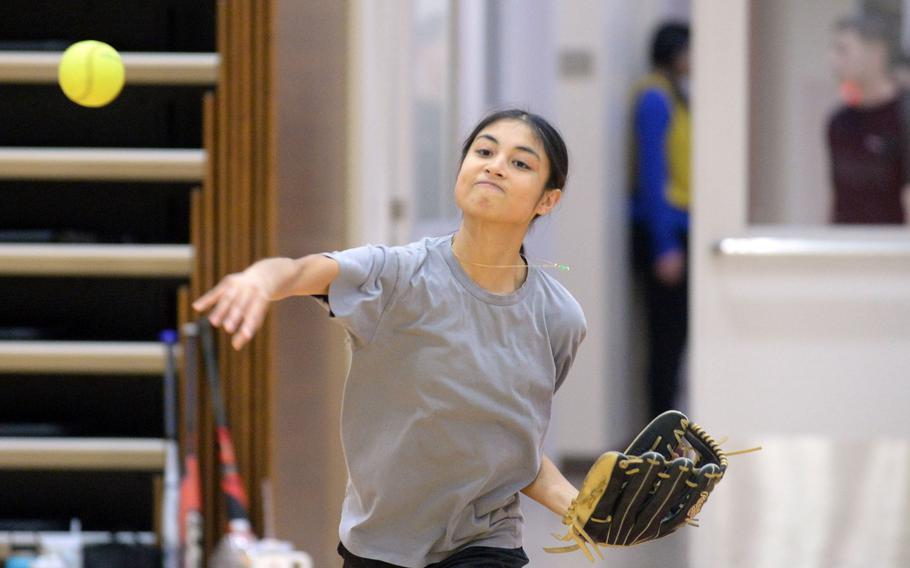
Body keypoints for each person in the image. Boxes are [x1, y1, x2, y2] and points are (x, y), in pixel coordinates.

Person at [193, 109, 587, 568]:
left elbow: (509, 445)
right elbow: (300, 271)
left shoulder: (559, 319)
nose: (495, 165)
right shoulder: (398, 276)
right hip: (380, 543)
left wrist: (578, 505)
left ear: (548, 200)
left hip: (486, 541)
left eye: (521, 163)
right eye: (484, 151)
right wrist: (261, 280)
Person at [629, 22, 691, 419]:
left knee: (676, 338)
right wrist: (664, 245)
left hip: (679, 226)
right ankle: (659, 434)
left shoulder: (676, 94)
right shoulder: (654, 97)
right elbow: (652, 176)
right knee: (664, 341)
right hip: (661, 231)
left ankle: (669, 426)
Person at [828, 12, 910, 224]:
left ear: (876, 53)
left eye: (843, 50)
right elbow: (837, 199)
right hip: (848, 248)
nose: (834, 60)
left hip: (892, 249)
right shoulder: (839, 123)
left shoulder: (903, 116)